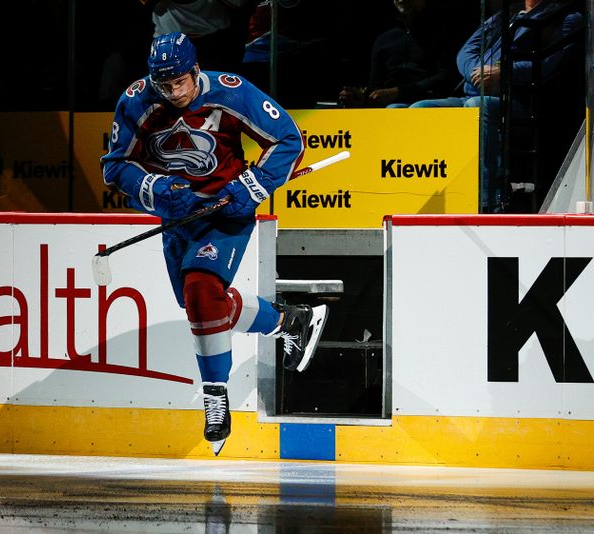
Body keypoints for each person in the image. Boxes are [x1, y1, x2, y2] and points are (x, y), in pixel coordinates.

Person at [101, 32, 327, 456]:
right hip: (178, 218)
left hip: (227, 213)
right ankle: (288, 321)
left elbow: (288, 139)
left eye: (178, 83)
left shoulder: (231, 93)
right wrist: (153, 186)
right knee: (202, 305)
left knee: (201, 290)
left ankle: (215, 398)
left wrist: (255, 184)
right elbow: (115, 167)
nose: (171, 92)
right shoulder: (136, 101)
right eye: (162, 85)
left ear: (196, 70)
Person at [410, 0, 583, 211]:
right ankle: (426, 196)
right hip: (476, 91)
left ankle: (489, 203)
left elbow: (549, 65)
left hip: (520, 101)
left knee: (479, 105)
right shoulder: (506, 15)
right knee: (421, 108)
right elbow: (466, 51)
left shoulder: (565, 18)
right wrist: (479, 72)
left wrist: (503, 73)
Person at [338, 0, 456, 109]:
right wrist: (364, 98)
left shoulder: (443, 33)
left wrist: (399, 92)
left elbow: (447, 76)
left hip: (431, 102)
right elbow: (376, 86)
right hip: (394, 106)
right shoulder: (383, 39)